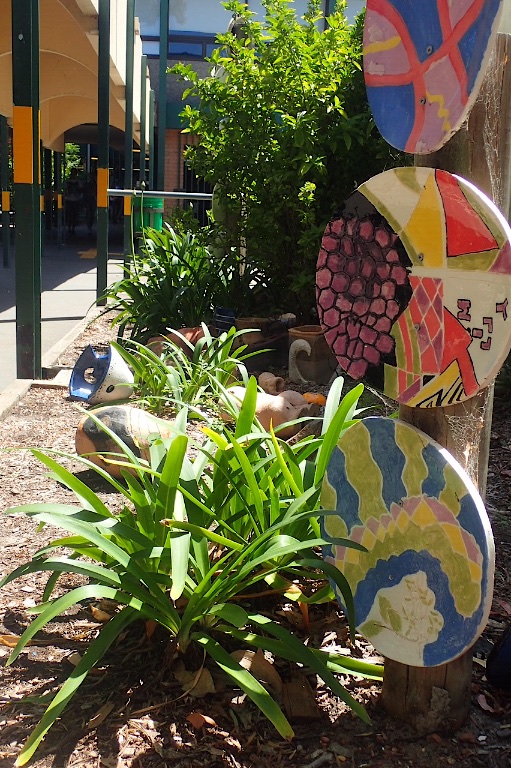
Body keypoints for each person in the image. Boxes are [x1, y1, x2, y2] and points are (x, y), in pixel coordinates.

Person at [64, 169, 82, 234]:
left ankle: (73, 228)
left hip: (76, 200)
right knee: (69, 214)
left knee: (74, 214)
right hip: (68, 199)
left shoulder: (78, 182)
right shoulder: (67, 181)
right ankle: (69, 227)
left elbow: (81, 190)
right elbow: (65, 190)